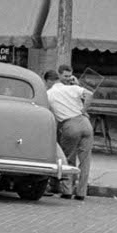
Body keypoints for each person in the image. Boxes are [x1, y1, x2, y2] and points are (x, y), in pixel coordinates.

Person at [44, 69, 93, 200]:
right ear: (59, 78)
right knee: (85, 160)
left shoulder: (48, 94)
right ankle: (81, 192)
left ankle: (67, 190)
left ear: (48, 81)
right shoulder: (73, 88)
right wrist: (83, 110)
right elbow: (89, 94)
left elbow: (47, 113)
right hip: (85, 122)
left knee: (66, 159)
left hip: (69, 125)